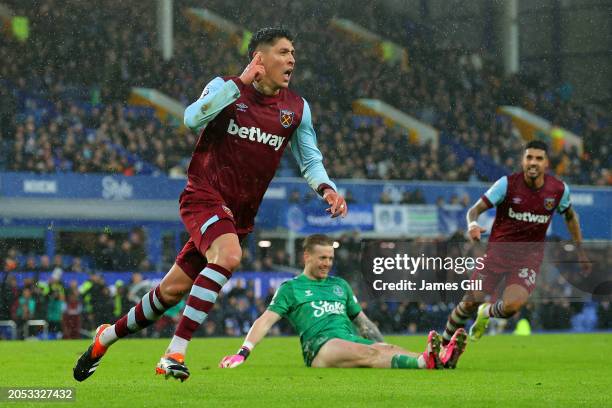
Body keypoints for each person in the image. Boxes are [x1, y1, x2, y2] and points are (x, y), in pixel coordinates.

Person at [73, 27, 348, 382]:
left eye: (293, 52)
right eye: (283, 52)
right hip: (203, 196)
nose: (292, 59)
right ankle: (174, 352)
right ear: (259, 59)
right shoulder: (225, 87)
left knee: (170, 292)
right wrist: (239, 84)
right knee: (230, 257)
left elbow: (309, 159)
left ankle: (104, 338)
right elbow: (191, 119)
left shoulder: (296, 109)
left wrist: (327, 188)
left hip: (239, 216)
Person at [219, 234, 467, 370]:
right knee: (367, 352)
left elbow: (363, 323)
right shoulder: (291, 288)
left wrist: (386, 347)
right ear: (307, 257)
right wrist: (243, 352)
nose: (328, 263)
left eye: (331, 257)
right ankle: (426, 362)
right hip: (320, 347)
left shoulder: (340, 285)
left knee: (383, 349)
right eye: (323, 258)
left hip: (348, 340)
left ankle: (439, 360)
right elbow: (265, 320)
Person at [441, 140, 589, 359]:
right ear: (523, 160)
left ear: (546, 163)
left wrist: (580, 251)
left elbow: (570, 217)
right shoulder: (506, 184)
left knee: (512, 306)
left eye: (538, 158)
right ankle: (441, 347)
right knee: (469, 302)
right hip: (496, 255)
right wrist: (472, 225)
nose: (533, 163)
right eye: (529, 157)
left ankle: (487, 312)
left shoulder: (558, 190)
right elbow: (474, 210)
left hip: (528, 259)